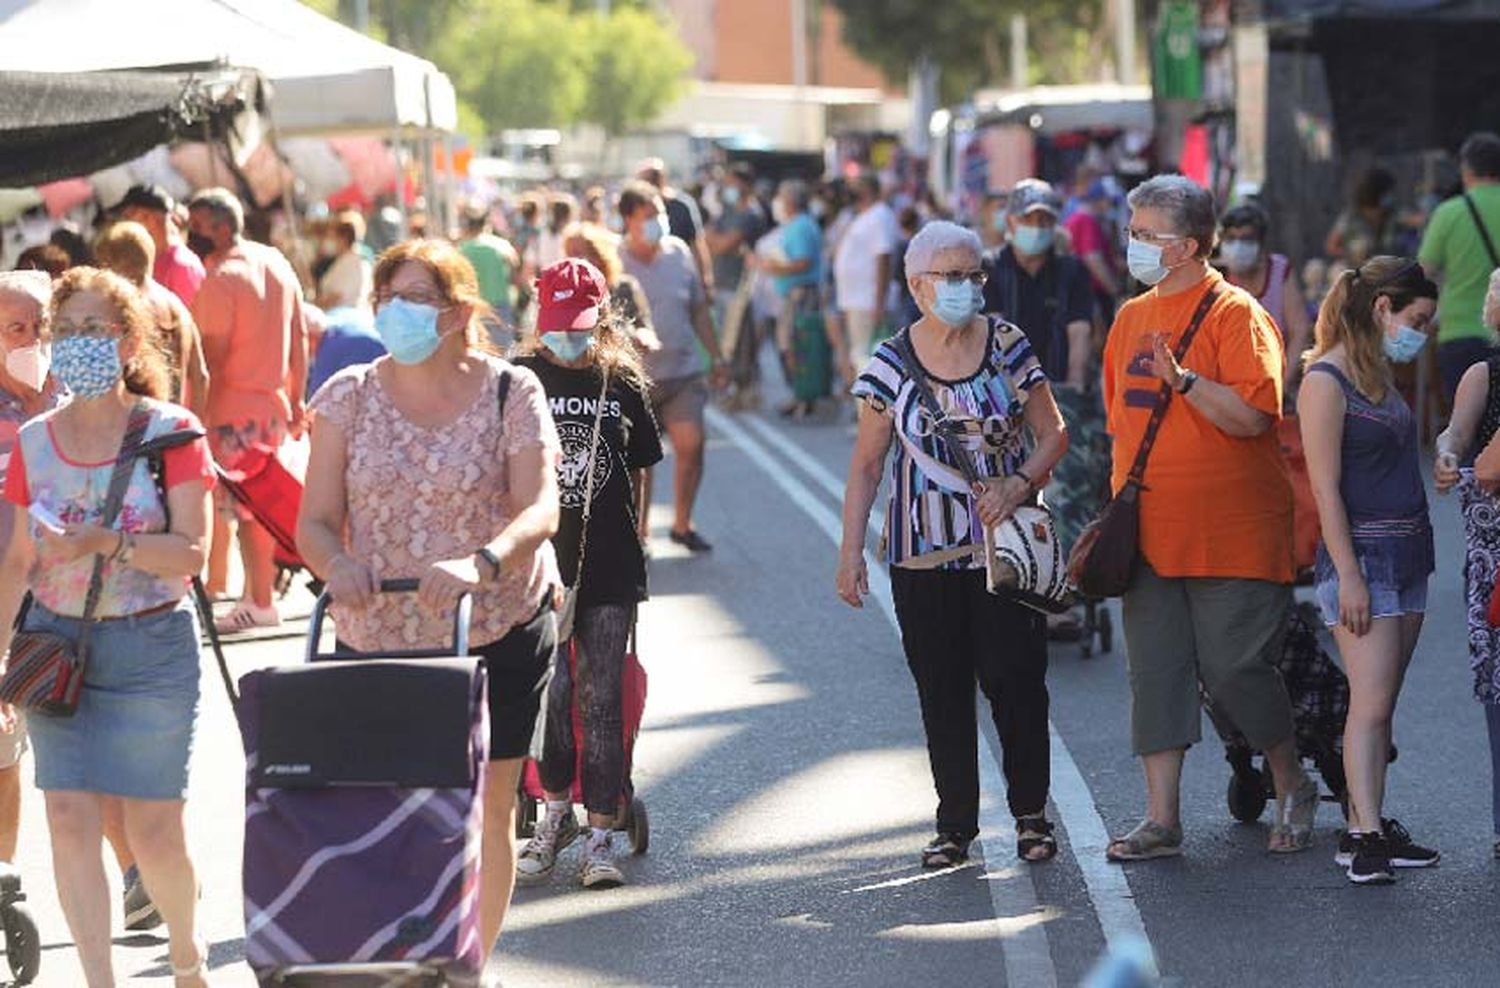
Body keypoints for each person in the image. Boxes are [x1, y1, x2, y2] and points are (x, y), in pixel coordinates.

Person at [297, 238, 561, 969]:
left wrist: (483, 560)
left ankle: (468, 964)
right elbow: (313, 520)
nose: (394, 312)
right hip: (378, 628)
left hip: (495, 620)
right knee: (390, 813)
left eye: (414, 297)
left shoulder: (513, 390)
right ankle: (402, 955)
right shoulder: (347, 395)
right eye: (386, 298)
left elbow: (540, 506)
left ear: (456, 313)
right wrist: (337, 562)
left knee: (485, 807)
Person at [0, 266, 216, 987]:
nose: (78, 344)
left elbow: (193, 554)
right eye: (67, 331)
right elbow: (17, 561)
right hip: (57, 648)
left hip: (152, 647)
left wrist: (106, 543)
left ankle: (186, 957)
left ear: (127, 341)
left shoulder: (171, 432)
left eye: (95, 329)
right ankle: (99, 981)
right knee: (67, 817)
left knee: (154, 832)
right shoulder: (33, 443)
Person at [837, 220, 1068, 867]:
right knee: (941, 689)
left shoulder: (1008, 344)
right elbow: (865, 466)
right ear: (917, 287)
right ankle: (955, 826)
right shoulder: (889, 363)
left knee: (1017, 681)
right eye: (952, 276)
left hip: (1006, 551)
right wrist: (851, 552)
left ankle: (1031, 816)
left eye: (974, 274)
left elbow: (1053, 433)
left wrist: (1019, 483)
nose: (967, 287)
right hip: (923, 555)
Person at [1101, 175, 1317, 862]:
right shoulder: (1130, 317)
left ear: (1188, 246)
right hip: (1150, 533)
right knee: (1155, 675)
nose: (1130, 243)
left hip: (1235, 532)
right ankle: (1161, 819)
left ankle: (1292, 779)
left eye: (1145, 234)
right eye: (1130, 230)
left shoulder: (1237, 314)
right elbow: (1120, 423)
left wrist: (1187, 383)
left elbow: (1255, 416)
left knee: (1233, 672)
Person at [513, 259, 663, 889]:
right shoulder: (518, 379)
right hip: (538, 570)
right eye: (556, 324)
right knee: (552, 699)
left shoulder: (621, 383)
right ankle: (553, 816)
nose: (566, 337)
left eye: (577, 325)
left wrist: (642, 536)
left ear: (600, 319)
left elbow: (641, 467)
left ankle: (599, 834)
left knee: (600, 699)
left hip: (608, 569)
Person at [1300, 257, 1441, 883]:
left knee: (1382, 703)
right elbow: (1325, 489)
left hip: (1408, 553)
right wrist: (1349, 575)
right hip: (1363, 559)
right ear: (1382, 309)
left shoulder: (1378, 374)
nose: (1423, 333)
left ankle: (1372, 821)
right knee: (1371, 702)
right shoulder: (1326, 381)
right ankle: (1362, 837)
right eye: (1416, 320)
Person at [980, 180, 1099, 639]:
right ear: (1010, 221)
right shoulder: (990, 269)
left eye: (1046, 220)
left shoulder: (1070, 271)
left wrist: (1069, 385)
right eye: (1029, 219)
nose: (1037, 228)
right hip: (998, 395)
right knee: (1000, 488)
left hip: (1053, 392)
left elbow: (1079, 332)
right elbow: (983, 332)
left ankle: (1060, 594)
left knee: (1067, 489)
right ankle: (1001, 580)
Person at [187, 188, 309, 631]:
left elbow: (211, 362)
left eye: (196, 226)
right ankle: (257, 594)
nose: (190, 235)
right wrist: (295, 400)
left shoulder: (223, 279)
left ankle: (257, 599)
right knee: (261, 508)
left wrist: (195, 416)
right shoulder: (275, 263)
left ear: (220, 227)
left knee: (248, 513)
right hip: (272, 406)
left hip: (231, 411)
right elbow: (299, 338)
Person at [618, 181, 726, 553]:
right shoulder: (614, 259)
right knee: (639, 463)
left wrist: (717, 356)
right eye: (649, 216)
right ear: (628, 220)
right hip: (636, 380)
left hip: (682, 372)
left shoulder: (679, 252)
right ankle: (639, 534)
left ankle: (682, 523)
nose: (658, 222)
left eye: (660, 214)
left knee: (692, 444)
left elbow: (698, 309)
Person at [1433, 295, 1500, 861]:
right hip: (1492, 553)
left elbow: (1493, 469)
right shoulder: (1483, 373)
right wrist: (1449, 455)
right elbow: (1454, 435)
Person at [0, 271, 63, 869]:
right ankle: (5, 882)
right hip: (4, 605)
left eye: (40, 326)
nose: (31, 339)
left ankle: (136, 873)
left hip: (73, 603)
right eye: (16, 328)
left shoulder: (78, 395)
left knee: (78, 753)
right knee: (4, 754)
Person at [93, 221, 210, 419]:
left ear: (113, 262)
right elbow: (201, 377)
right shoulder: (178, 307)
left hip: (133, 432)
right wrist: (191, 429)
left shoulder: (123, 308)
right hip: (170, 428)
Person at [1420, 132, 1500, 401]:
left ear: (1466, 170)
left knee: (1468, 427)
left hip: (1461, 332)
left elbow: (1424, 272)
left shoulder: (1449, 213)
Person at [1217, 202, 1312, 396]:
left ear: (1261, 244)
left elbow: (1300, 329)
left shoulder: (1278, 270)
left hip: (1277, 379)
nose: (1238, 246)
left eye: (1246, 239)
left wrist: (1281, 383)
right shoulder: (1216, 277)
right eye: (1231, 238)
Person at [756, 180, 827, 418]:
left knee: (796, 344)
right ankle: (800, 395)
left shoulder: (800, 226)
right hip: (795, 294)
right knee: (793, 344)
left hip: (800, 295)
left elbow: (802, 262)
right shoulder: (799, 225)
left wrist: (773, 267)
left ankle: (804, 395)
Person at [832, 175, 900, 387]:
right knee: (858, 355)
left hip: (868, 300)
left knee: (866, 358)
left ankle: (868, 407)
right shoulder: (863, 216)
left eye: (855, 187)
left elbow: (883, 258)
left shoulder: (879, 216)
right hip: (856, 300)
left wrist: (879, 302)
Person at [563, 222, 660, 355]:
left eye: (578, 254)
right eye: (568, 255)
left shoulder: (624, 287)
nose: (572, 261)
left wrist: (641, 336)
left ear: (597, 256)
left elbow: (643, 325)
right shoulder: (565, 295)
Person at [118, 184, 205, 308]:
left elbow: (191, 322)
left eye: (128, 216)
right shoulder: (153, 259)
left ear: (148, 217)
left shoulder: (181, 265)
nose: (124, 224)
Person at [638, 158, 714, 295]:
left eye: (655, 178)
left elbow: (697, 244)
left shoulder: (682, 206)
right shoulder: (635, 209)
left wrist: (705, 281)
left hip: (679, 277)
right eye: (647, 180)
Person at [1063, 175, 1122, 321]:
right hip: (1091, 293)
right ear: (1100, 200)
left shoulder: (1086, 219)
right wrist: (1115, 290)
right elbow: (1092, 259)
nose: (1112, 207)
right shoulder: (1086, 220)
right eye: (1110, 202)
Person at [458, 205, 521, 331]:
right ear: (486, 223)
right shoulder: (502, 245)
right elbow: (516, 270)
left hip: (474, 307)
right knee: (503, 348)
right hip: (500, 305)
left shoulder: (462, 250)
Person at [1327, 167, 1402, 267]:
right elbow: (1332, 246)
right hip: (1359, 271)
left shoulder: (1392, 214)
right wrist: (1352, 254)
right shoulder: (1351, 217)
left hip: (1389, 271)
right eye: (1387, 193)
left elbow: (1414, 219)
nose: (1391, 196)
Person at [314, 211, 373, 312]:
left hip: (345, 319)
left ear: (343, 238)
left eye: (332, 237)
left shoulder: (353, 263)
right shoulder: (345, 260)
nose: (329, 241)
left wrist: (313, 304)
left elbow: (337, 296)